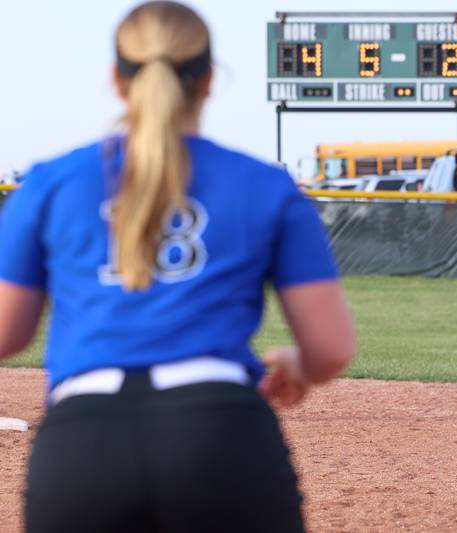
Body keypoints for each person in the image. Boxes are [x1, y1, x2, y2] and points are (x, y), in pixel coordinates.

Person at [0, 2, 356, 532]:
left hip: (82, 444)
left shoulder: (51, 182)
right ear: (209, 80)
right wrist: (296, 366)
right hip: (222, 436)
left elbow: (7, 332)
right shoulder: (264, 184)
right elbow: (330, 349)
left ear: (117, 81)